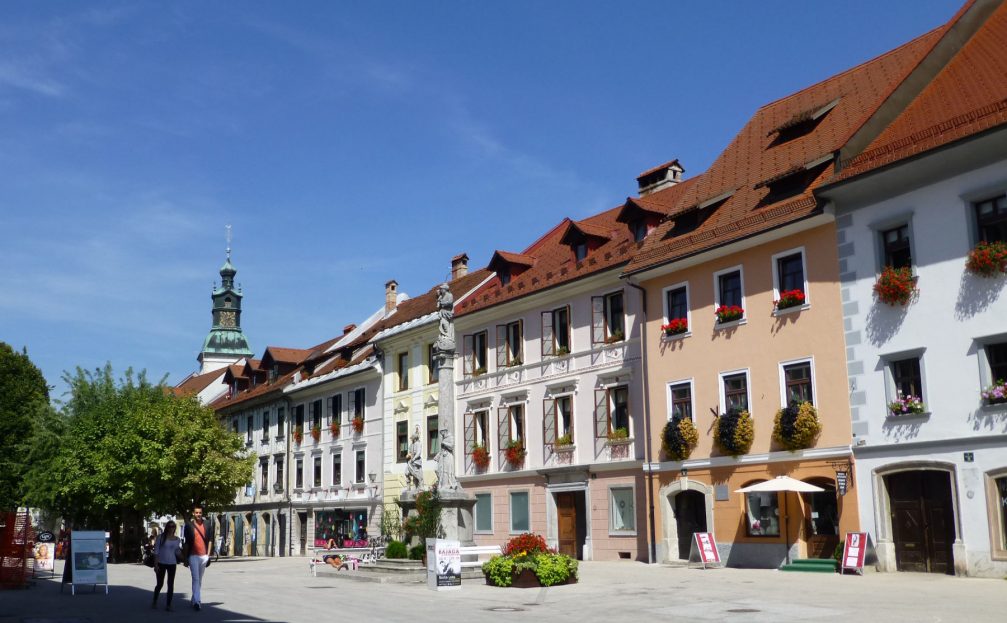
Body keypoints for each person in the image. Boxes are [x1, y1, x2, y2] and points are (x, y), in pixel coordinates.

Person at [182, 504, 215, 611]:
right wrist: (185, 558)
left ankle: (193, 598)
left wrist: (208, 555)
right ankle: (197, 601)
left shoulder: (207, 524)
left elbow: (210, 540)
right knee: (195, 578)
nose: (198, 514)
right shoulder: (189, 525)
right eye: (196, 512)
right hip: (193, 556)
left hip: (204, 556)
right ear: (193, 513)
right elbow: (186, 543)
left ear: (202, 513)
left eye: (200, 512)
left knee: (199, 579)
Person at [152, 521, 182, 611]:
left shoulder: (177, 539)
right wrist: (155, 564)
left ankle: (168, 605)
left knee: (170, 584)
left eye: (173, 526)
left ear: (175, 528)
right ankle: (155, 600)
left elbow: (177, 552)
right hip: (161, 563)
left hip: (172, 564)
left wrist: (185, 558)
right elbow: (156, 552)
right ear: (167, 527)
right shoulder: (160, 537)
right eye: (169, 526)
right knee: (160, 584)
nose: (171, 528)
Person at [405, 425, 424, 491]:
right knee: (406, 473)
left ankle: (420, 485)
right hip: (410, 462)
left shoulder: (418, 444)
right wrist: (408, 455)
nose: (411, 439)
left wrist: (414, 458)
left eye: (412, 438)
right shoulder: (411, 445)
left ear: (415, 438)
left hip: (416, 461)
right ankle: (408, 486)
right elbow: (410, 452)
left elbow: (418, 453)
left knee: (415, 474)